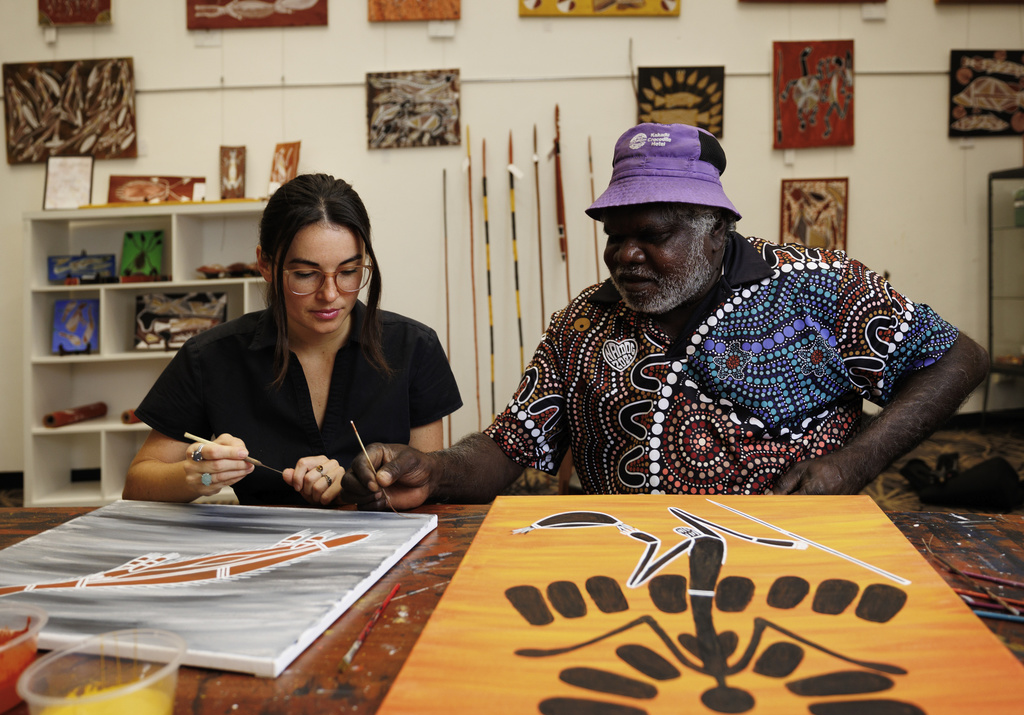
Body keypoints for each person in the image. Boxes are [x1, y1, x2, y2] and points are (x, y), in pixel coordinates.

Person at [341, 123, 989, 509]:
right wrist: (434, 469)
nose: (625, 256)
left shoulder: (818, 287)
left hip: (802, 568)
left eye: (650, 234)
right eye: (614, 236)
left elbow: (958, 358)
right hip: (623, 579)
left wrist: (855, 463)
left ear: (716, 230)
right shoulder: (582, 325)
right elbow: (508, 447)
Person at [123, 173, 462, 507]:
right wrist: (193, 475)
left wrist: (351, 491)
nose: (330, 295)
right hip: (260, 555)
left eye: (348, 272)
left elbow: (428, 488)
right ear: (265, 264)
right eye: (305, 274)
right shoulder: (211, 357)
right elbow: (138, 483)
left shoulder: (415, 348)